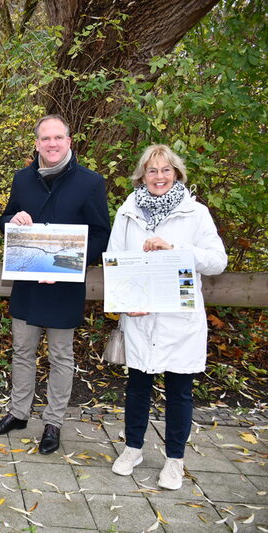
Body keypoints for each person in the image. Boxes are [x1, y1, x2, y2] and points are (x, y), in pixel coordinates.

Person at [0, 115, 110, 455]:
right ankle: (18, 413)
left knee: (60, 356)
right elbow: (4, 220)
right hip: (28, 281)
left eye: (58, 138)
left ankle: (53, 422)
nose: (52, 144)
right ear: (37, 143)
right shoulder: (22, 179)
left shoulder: (90, 182)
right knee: (22, 351)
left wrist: (68, 263)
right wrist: (14, 220)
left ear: (69, 141)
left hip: (64, 284)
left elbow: (101, 236)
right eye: (45, 138)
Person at [108, 144, 226, 489]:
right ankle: (133, 448)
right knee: (137, 386)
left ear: (176, 173)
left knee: (179, 391)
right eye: (152, 171)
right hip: (140, 316)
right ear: (142, 175)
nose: (159, 177)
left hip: (179, 320)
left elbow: (217, 261)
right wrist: (125, 301)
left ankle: (175, 459)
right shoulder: (128, 212)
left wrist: (176, 251)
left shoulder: (196, 214)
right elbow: (115, 260)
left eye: (165, 170)